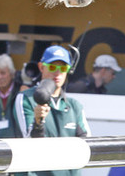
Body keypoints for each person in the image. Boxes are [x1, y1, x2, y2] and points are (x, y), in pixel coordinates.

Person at [15, 45, 90, 176]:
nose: (57, 73)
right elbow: (28, 143)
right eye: (52, 67)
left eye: (63, 68)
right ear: (41, 67)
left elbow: (86, 145)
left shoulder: (75, 106)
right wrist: (38, 122)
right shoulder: (25, 98)